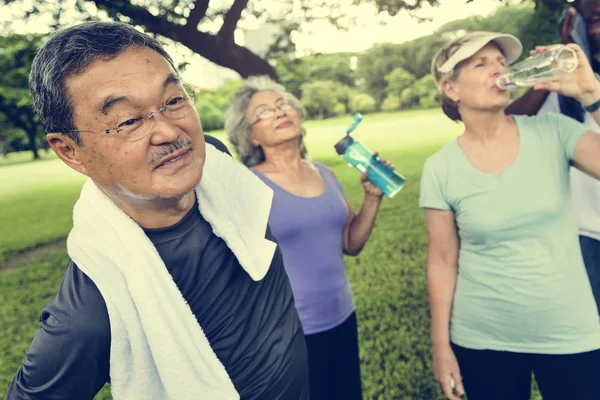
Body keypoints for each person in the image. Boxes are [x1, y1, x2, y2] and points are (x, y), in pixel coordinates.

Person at [6, 21, 309, 400]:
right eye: (128, 121)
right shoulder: (90, 312)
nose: (169, 132)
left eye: (173, 101)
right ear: (70, 151)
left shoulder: (212, 157)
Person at [423, 31, 600, 400]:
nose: (498, 70)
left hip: (568, 330)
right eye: (481, 63)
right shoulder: (440, 168)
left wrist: (592, 96)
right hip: (483, 338)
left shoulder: (554, 132)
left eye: (501, 63)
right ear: (452, 88)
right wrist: (441, 348)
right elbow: (441, 261)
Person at [224, 76, 390, 400]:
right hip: (286, 333)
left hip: (341, 317)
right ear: (250, 135)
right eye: (264, 112)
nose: (279, 112)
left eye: (283, 104)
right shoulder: (246, 188)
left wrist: (372, 198)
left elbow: (350, 244)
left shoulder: (324, 173)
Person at [506, 0, 600, 312]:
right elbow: (505, 124)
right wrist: (550, 66)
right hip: (586, 230)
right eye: (591, 16)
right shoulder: (562, 88)